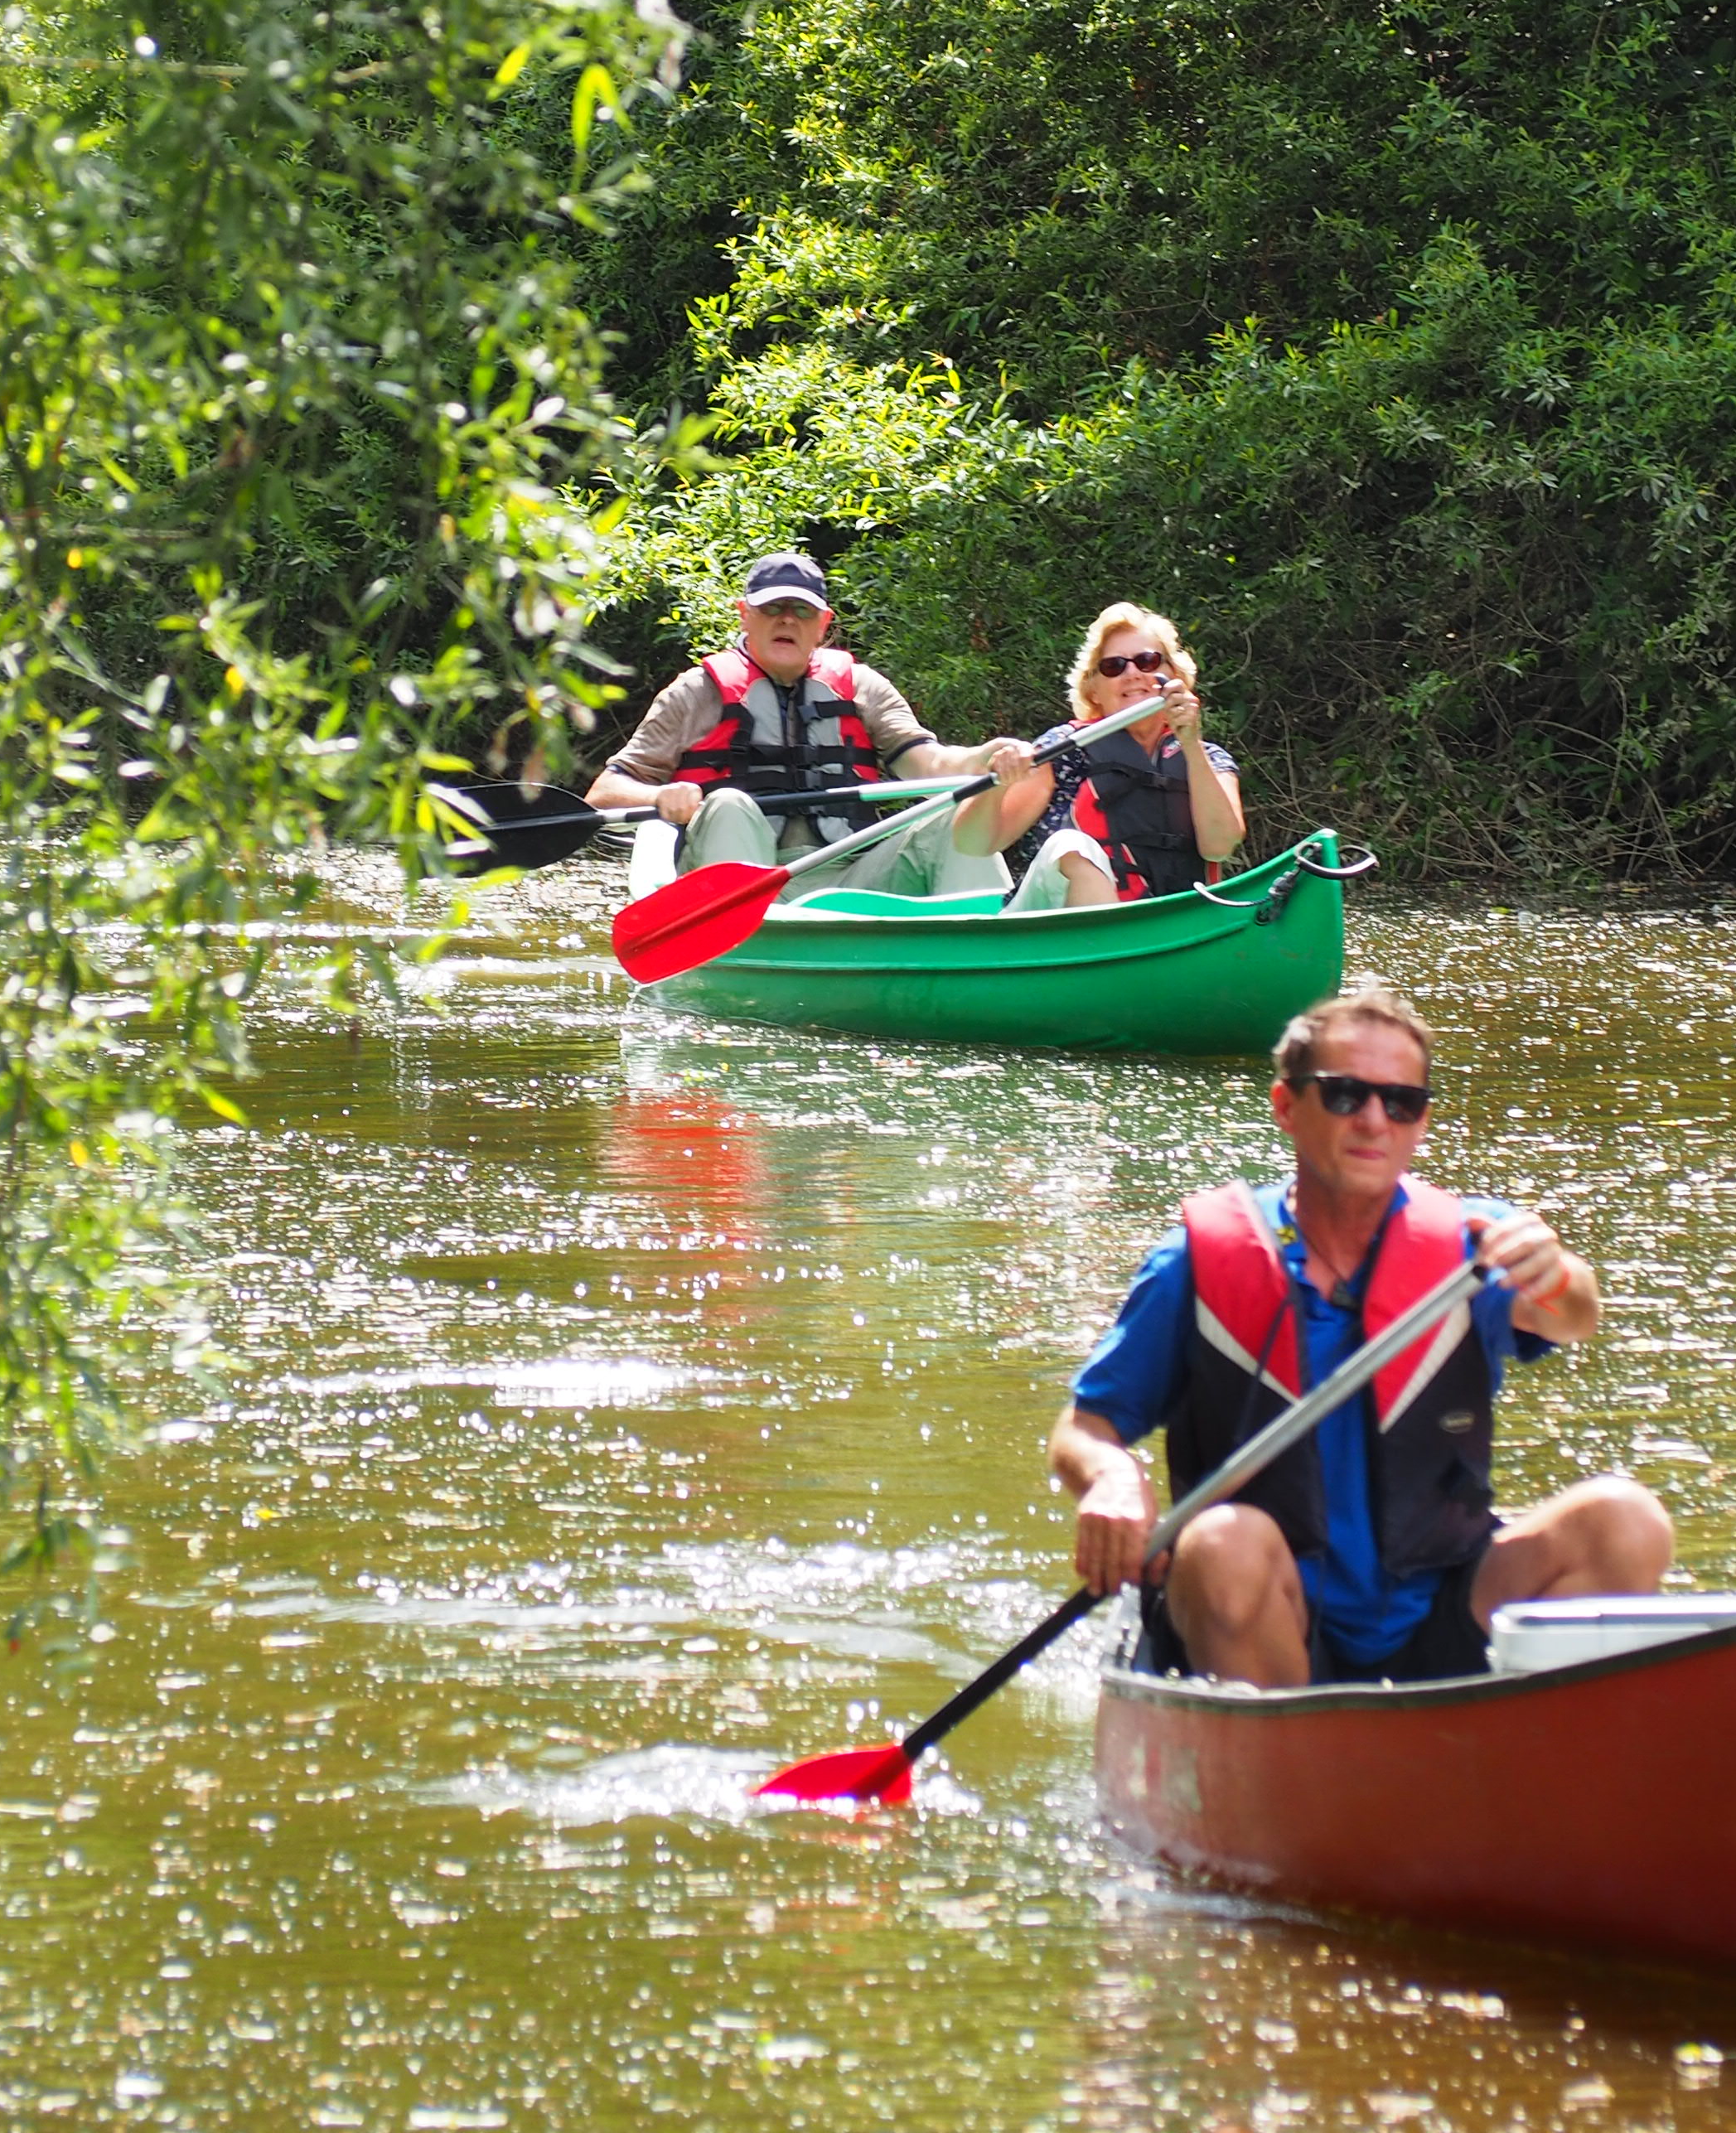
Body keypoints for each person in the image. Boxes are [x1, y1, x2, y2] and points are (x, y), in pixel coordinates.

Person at [1047, 986, 1671, 1685]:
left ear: (1420, 1121)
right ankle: (1286, 1768)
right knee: (1223, 1543)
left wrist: (1556, 1273)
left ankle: (1524, 1742)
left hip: (1442, 1604)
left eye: (1400, 1102)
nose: (1375, 1120)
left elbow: (1574, 1314)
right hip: (1262, 1615)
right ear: (1287, 1107)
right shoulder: (1196, 1260)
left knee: (1626, 1519)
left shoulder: (1477, 1245)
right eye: (1345, 1095)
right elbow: (1084, 1426)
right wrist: (1110, 1480)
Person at [587, 552, 1037, 898]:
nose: (787, 619)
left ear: (823, 625)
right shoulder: (696, 692)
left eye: (801, 611)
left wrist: (984, 758)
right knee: (726, 803)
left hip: (850, 876)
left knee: (950, 818)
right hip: (734, 888)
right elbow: (605, 793)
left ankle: (986, 942)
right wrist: (660, 796)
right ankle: (747, 943)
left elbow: (931, 765)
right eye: (772, 608)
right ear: (744, 614)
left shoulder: (861, 686)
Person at [984, 602, 1245, 910]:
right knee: (1072, 846)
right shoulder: (1065, 749)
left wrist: (1191, 742)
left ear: (1174, 677)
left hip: (1165, 921)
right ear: (1093, 690)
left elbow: (1219, 847)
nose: (1132, 673)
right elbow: (980, 844)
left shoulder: (1208, 758)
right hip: (1047, 926)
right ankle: (1108, 944)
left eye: (1147, 661)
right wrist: (998, 781)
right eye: (1114, 666)